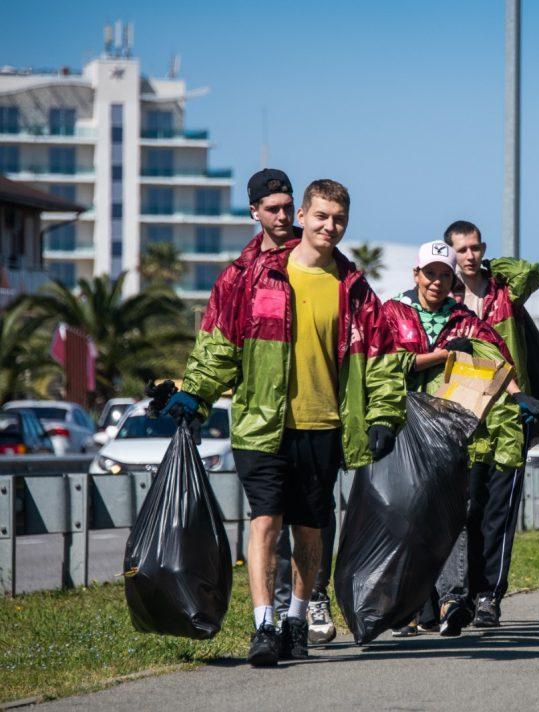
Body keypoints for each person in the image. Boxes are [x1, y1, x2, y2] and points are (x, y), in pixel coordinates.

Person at [164, 179, 406, 666]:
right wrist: (194, 396)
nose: (329, 227)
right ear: (302, 216)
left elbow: (381, 358)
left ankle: (296, 617)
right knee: (265, 521)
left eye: (338, 219)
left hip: (324, 425)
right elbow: (220, 346)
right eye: (320, 217)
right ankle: (263, 625)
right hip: (261, 424)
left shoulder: (353, 287)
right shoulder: (256, 276)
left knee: (311, 530)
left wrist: (382, 415)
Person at [381, 240, 530, 637]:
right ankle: (408, 606)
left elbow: (494, 356)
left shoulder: (463, 317)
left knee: (453, 514)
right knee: (410, 515)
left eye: (445, 275)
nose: (437, 281)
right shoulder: (393, 312)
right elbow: (385, 362)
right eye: (430, 273)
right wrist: (443, 355)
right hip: (404, 425)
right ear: (416, 275)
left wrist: (518, 395)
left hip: (450, 429)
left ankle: (453, 601)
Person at [445, 220, 539, 626]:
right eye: (461, 250)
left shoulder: (504, 293)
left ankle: (489, 596)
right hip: (460, 417)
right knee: (464, 510)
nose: (469, 257)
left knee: (498, 513)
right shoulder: (444, 296)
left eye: (475, 248)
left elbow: (533, 272)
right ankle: (458, 595)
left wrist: (494, 269)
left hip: (506, 416)